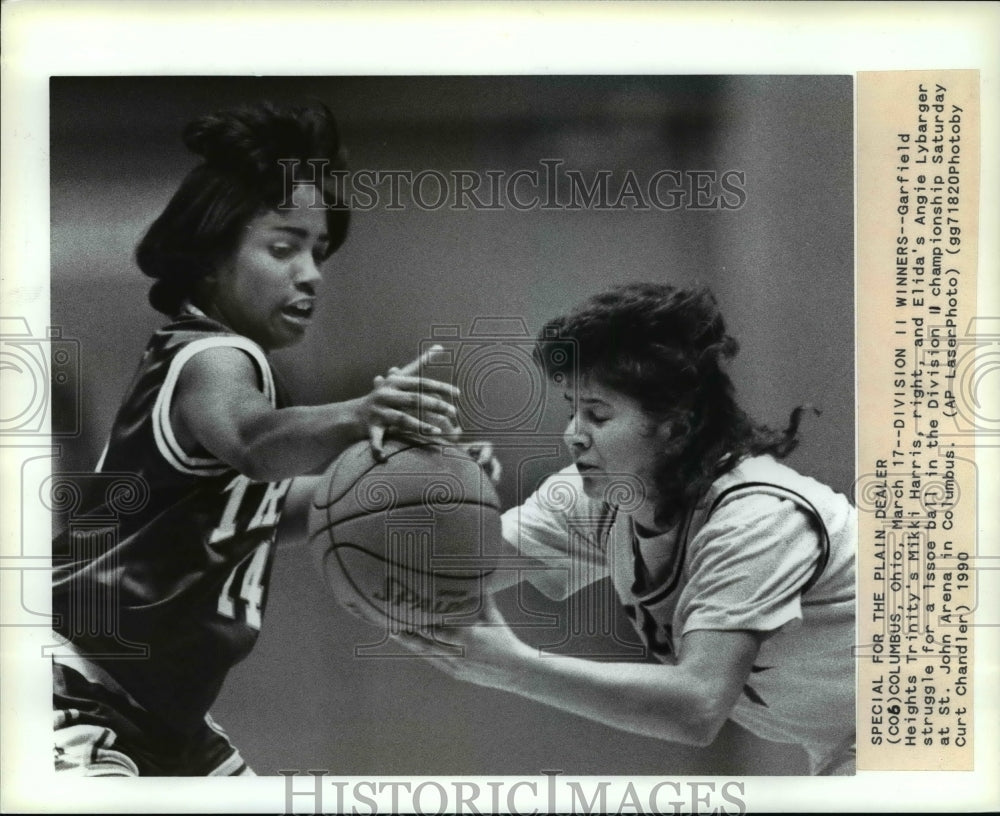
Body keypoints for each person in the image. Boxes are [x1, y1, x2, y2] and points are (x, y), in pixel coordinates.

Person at [50, 101, 461, 776]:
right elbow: (253, 441)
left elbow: (261, 509)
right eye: (283, 247)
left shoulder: (236, 369)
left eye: (319, 252)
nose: (311, 273)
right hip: (77, 694)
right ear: (211, 256)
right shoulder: (211, 357)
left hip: (166, 723)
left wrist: (396, 481)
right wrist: (361, 414)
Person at [400, 282, 857, 775]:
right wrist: (432, 488)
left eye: (596, 413)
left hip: (934, 718)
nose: (572, 434)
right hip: (849, 743)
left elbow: (698, 706)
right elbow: (436, 576)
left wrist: (513, 666)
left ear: (677, 426)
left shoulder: (757, 518)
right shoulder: (597, 498)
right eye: (571, 409)